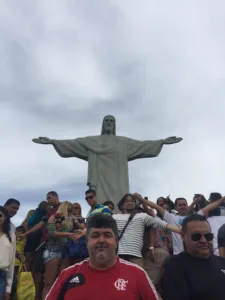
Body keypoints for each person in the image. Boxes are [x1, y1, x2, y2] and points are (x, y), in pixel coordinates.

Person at [46, 213, 159, 300]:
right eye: (95, 235)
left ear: (116, 241)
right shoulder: (68, 275)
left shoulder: (137, 274)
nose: (101, 240)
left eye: (107, 235)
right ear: (86, 241)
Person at [162, 214, 225, 300]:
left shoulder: (222, 262)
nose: (203, 240)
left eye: (208, 236)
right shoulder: (174, 266)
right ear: (183, 236)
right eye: (196, 236)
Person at [113, 194, 180, 268]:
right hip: (118, 256)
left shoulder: (142, 216)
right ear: (122, 205)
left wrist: (177, 230)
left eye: (132, 201)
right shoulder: (114, 217)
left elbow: (160, 223)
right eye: (127, 201)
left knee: (137, 279)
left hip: (136, 257)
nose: (130, 203)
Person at [0, 206, 16, 300]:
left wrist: (8, 289)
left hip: (2, 275)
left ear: (5, 217)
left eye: (0, 215)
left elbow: (11, 262)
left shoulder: (11, 236)